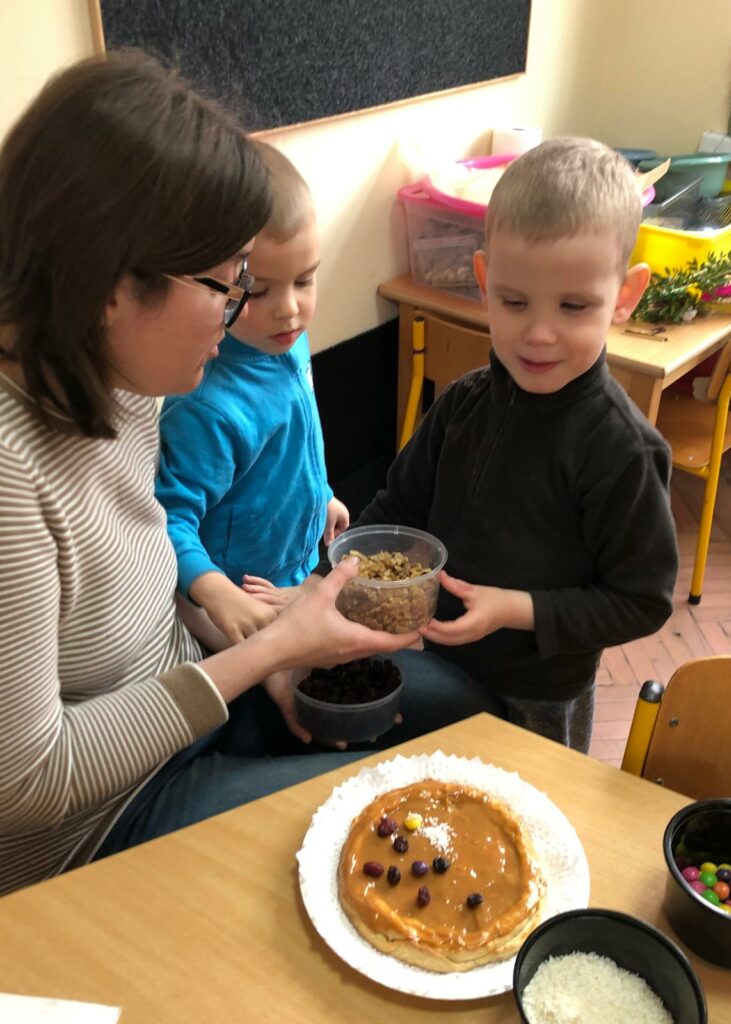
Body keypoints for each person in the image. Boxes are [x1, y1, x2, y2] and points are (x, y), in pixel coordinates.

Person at [0, 52, 500, 896]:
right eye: (230, 285)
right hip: (90, 833)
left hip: (181, 713)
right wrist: (262, 652)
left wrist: (253, 639)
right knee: (376, 832)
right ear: (115, 286)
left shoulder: (118, 383)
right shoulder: (14, 476)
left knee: (457, 710)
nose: (244, 313)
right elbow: (29, 782)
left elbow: (140, 595)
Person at [277, 137, 678, 753]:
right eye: (515, 302)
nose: (539, 333)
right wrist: (325, 583)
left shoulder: (622, 450)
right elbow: (397, 509)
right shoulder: (463, 402)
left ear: (625, 297)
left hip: (539, 692)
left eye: (574, 306)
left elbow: (640, 601)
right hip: (433, 658)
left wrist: (516, 609)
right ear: (484, 281)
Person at [156, 143, 347, 646]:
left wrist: (319, 496)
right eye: (258, 291)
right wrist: (213, 588)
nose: (289, 310)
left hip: (296, 570)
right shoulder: (205, 405)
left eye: (305, 280)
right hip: (236, 603)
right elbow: (169, 518)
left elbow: (292, 439)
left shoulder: (288, 342)